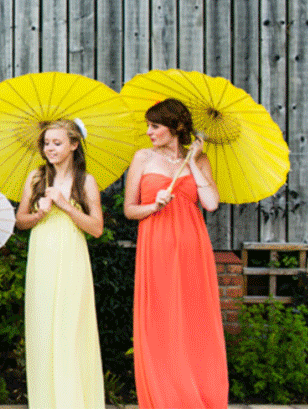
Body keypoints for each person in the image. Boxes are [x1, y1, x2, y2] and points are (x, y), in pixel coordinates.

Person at [124, 98, 227, 409]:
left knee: (195, 319)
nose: (149, 131)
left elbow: (210, 203)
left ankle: (200, 392)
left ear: (176, 127)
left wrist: (194, 161)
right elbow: (129, 210)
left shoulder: (201, 160)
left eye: (155, 126)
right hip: (156, 245)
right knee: (161, 318)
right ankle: (166, 395)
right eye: (149, 125)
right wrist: (153, 206)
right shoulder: (142, 158)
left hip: (192, 247)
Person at [15, 119, 104, 409]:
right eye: (46, 143)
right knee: (44, 327)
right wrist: (38, 214)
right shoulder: (35, 178)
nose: (49, 148)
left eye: (57, 143)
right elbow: (20, 221)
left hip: (72, 258)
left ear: (74, 145)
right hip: (42, 257)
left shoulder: (85, 181)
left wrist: (65, 205)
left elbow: (96, 228)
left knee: (70, 328)